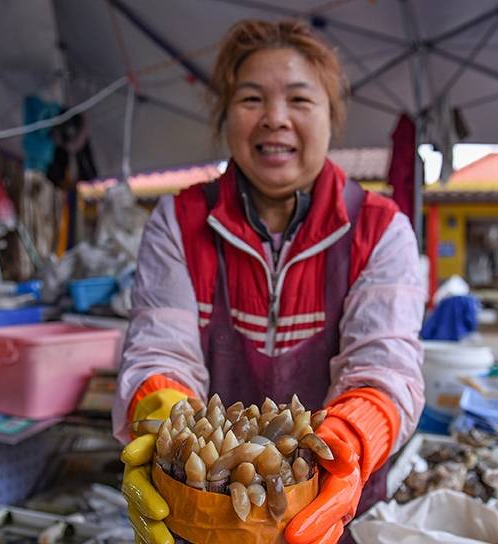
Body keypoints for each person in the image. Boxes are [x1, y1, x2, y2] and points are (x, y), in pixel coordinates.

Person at [115, 19, 424, 544]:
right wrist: (161, 416)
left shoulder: (381, 229)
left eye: (301, 101)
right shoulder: (178, 222)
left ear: (331, 117)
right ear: (225, 114)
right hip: (204, 516)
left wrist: (349, 440)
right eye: (252, 99)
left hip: (335, 515)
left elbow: (385, 364)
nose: (275, 119)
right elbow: (159, 348)